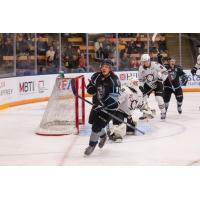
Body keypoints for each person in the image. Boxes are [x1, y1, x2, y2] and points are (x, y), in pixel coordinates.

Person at [84, 59, 121, 156]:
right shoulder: (96, 76)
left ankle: (91, 145)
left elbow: (114, 98)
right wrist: (91, 89)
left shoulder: (114, 80)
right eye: (103, 66)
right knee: (92, 123)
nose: (104, 68)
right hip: (97, 105)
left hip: (109, 108)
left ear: (110, 69)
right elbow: (90, 87)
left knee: (96, 127)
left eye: (107, 67)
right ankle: (103, 136)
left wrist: (103, 105)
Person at [107, 77, 155, 142]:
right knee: (120, 131)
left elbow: (140, 104)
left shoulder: (139, 93)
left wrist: (147, 110)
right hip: (118, 111)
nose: (137, 84)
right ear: (130, 83)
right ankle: (114, 132)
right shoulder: (124, 90)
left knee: (131, 131)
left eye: (137, 82)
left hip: (128, 113)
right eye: (135, 82)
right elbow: (116, 102)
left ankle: (120, 128)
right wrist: (109, 108)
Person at [138, 54, 168, 120]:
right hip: (148, 85)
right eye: (143, 61)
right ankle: (145, 113)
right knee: (143, 98)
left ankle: (163, 112)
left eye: (146, 61)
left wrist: (161, 79)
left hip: (158, 83)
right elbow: (141, 80)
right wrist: (141, 87)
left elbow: (165, 72)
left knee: (159, 98)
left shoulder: (156, 65)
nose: (145, 63)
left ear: (149, 60)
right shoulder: (141, 68)